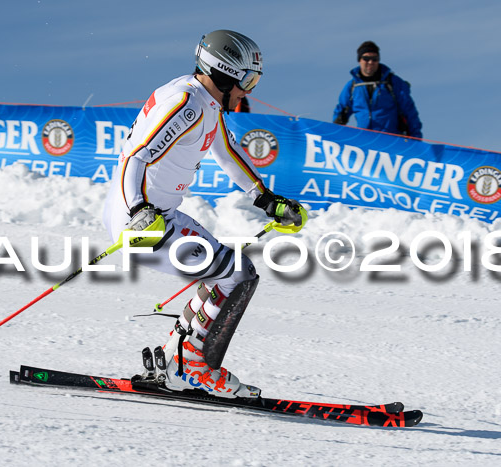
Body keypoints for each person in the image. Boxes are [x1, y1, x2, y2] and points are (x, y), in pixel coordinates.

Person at [102, 30, 305, 398]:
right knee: (237, 274)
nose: (250, 90)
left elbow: (226, 152)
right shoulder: (187, 103)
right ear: (225, 73)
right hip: (144, 221)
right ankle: (194, 366)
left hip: (159, 214)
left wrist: (266, 199)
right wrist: (137, 210)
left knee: (227, 271)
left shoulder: (203, 101)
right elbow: (136, 156)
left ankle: (177, 361)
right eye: (248, 79)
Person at [332, 41, 421, 138]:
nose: (370, 62)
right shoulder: (353, 86)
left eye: (374, 59)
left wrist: (416, 140)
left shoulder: (392, 82)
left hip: (391, 141)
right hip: (365, 142)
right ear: (359, 60)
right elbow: (340, 112)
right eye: (366, 58)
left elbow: (409, 112)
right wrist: (335, 135)